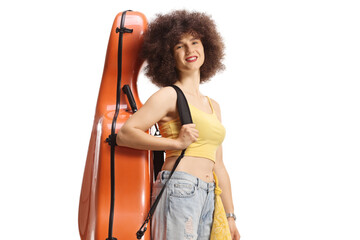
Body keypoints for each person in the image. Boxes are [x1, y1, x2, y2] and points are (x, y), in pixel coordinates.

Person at [116, 10, 240, 240]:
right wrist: (175, 142)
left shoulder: (213, 106)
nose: (190, 49)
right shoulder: (169, 95)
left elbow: (219, 165)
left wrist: (231, 216)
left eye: (194, 42)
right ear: (168, 56)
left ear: (206, 47)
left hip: (209, 193)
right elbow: (125, 134)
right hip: (180, 188)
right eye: (179, 46)